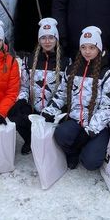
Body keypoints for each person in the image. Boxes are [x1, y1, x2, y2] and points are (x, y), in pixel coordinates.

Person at [42, 26, 110, 170]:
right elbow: (62, 93)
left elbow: (108, 107)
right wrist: (49, 111)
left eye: (92, 47)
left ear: (99, 48)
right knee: (61, 134)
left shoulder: (106, 73)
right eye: (83, 47)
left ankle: (93, 146)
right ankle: (73, 152)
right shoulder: (71, 70)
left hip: (97, 126)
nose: (87, 51)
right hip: (76, 120)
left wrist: (90, 131)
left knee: (91, 163)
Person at [10, 17, 68, 155]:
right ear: (39, 40)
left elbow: (64, 92)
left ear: (56, 39)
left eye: (51, 38)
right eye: (43, 38)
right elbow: (24, 86)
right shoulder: (29, 60)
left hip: (54, 110)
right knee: (15, 113)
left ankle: (52, 143)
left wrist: (50, 110)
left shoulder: (66, 62)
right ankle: (30, 140)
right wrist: (22, 100)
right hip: (34, 108)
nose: (47, 42)